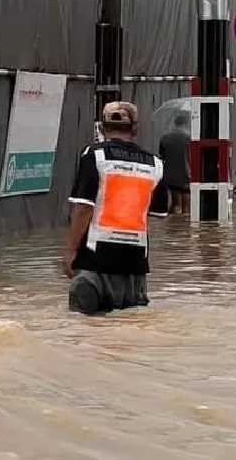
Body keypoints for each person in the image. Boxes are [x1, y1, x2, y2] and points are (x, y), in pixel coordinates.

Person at [64, 102, 170, 315]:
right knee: (130, 331)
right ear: (135, 129)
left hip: (96, 261)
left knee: (84, 331)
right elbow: (158, 213)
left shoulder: (94, 155)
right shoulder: (155, 163)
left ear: (102, 129)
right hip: (135, 265)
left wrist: (70, 251)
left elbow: (84, 208)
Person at [157, 112, 191, 215]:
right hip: (187, 174)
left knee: (176, 205)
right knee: (187, 208)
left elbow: (161, 155)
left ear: (175, 123)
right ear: (186, 122)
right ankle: (184, 228)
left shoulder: (164, 137)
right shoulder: (189, 137)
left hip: (170, 175)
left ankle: (173, 227)